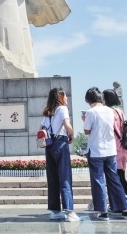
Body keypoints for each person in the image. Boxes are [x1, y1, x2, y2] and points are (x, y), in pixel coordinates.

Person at [82, 87, 127, 221]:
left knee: (98, 180)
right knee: (114, 179)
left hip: (96, 150)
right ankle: (124, 209)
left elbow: (87, 131)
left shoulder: (90, 112)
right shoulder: (110, 111)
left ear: (89, 100)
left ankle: (103, 211)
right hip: (110, 150)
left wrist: (84, 119)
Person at [40, 87, 79, 222]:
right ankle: (69, 211)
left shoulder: (47, 112)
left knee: (53, 178)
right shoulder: (62, 109)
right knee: (65, 177)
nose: (66, 98)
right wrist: (72, 135)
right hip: (60, 143)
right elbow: (67, 125)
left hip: (49, 145)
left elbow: (41, 130)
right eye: (65, 96)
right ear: (60, 97)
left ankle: (55, 211)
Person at [102, 89, 127, 215]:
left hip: (115, 149)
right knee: (121, 178)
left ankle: (122, 206)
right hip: (123, 148)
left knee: (117, 180)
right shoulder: (120, 111)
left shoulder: (110, 112)